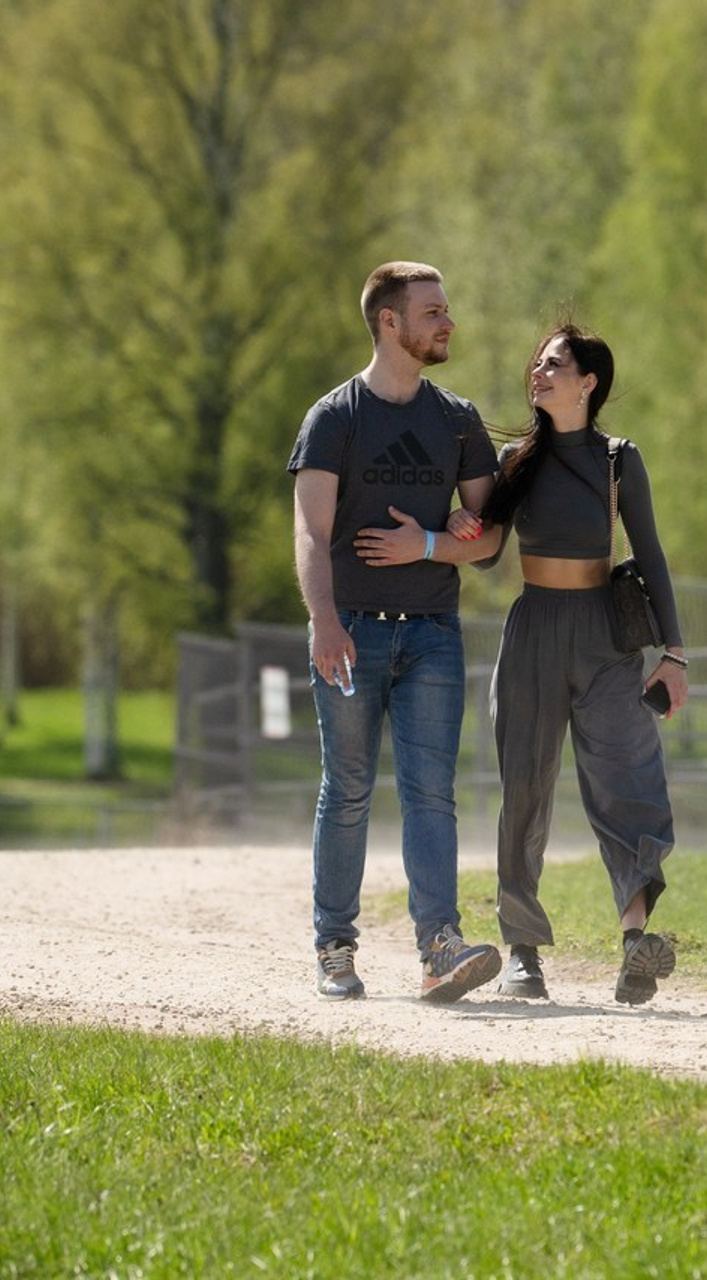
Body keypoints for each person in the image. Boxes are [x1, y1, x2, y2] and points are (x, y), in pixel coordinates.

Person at [288, 260, 504, 1003]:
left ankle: (439, 947)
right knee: (347, 790)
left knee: (430, 793)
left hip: (434, 634)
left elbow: (490, 536)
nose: (448, 322)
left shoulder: (457, 420)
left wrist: (433, 544)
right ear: (391, 321)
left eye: (446, 309)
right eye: (433, 311)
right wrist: (322, 622)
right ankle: (335, 948)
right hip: (349, 631)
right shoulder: (335, 418)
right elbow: (312, 533)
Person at [465, 322, 689, 1005]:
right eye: (537, 363)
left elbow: (650, 555)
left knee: (629, 781)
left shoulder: (621, 460)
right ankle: (523, 955)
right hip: (533, 628)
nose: (539, 372)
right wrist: (437, 533)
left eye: (554, 363)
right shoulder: (514, 460)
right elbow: (484, 550)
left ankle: (634, 946)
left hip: (606, 639)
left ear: (588, 382)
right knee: (524, 789)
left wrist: (674, 653)